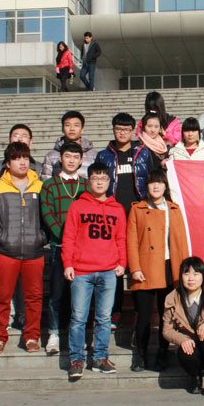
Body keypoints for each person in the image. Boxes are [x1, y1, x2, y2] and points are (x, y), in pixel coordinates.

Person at [62, 162, 127, 379]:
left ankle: (100, 357)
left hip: (108, 270)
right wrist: (68, 263)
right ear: (88, 181)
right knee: (78, 318)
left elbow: (121, 238)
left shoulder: (117, 209)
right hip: (82, 270)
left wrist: (122, 262)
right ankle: (77, 359)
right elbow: (69, 237)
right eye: (95, 178)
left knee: (104, 318)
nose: (99, 182)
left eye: (103, 178)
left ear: (109, 182)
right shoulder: (77, 206)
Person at [0, 142, 47, 356]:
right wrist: (1, 239)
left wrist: (42, 238)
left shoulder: (40, 187)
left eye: (25, 158)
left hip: (34, 252)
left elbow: (48, 216)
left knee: (34, 297)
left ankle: (32, 336)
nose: (22, 162)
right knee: (2, 297)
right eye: (17, 158)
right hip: (6, 252)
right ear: (8, 163)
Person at [127, 170, 190, 372]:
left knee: (166, 315)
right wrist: (135, 268)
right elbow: (131, 241)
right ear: (146, 186)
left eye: (160, 183)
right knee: (144, 316)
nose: (156, 186)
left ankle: (163, 353)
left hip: (170, 266)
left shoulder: (174, 209)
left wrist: (184, 270)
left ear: (165, 186)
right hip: (145, 267)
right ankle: (140, 355)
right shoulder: (137, 209)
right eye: (152, 183)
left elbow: (181, 241)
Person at [96, 112, 153, 329]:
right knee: (115, 266)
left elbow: (152, 179)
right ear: (113, 130)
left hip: (138, 215)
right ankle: (115, 311)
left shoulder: (143, 153)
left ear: (133, 131)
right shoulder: (104, 156)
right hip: (112, 216)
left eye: (126, 129)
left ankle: (140, 311)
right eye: (119, 129)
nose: (122, 133)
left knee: (138, 265)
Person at [40, 141, 87, 354]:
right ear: (60, 159)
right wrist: (65, 237)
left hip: (82, 249)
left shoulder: (86, 185)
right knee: (57, 294)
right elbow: (47, 214)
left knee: (79, 295)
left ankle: (77, 335)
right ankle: (54, 334)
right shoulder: (49, 185)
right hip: (58, 246)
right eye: (67, 156)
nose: (71, 160)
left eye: (75, 157)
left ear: (81, 160)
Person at [162, 257, 204, 396]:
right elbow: (167, 330)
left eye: (196, 274)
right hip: (191, 348)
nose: (191, 278)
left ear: (203, 276)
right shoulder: (172, 298)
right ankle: (195, 377)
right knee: (184, 350)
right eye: (186, 274)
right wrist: (182, 339)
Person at [41, 111, 98, 181]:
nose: (72, 129)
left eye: (76, 125)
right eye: (67, 125)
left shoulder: (94, 155)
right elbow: (46, 182)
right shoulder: (51, 156)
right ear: (62, 128)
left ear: (82, 129)